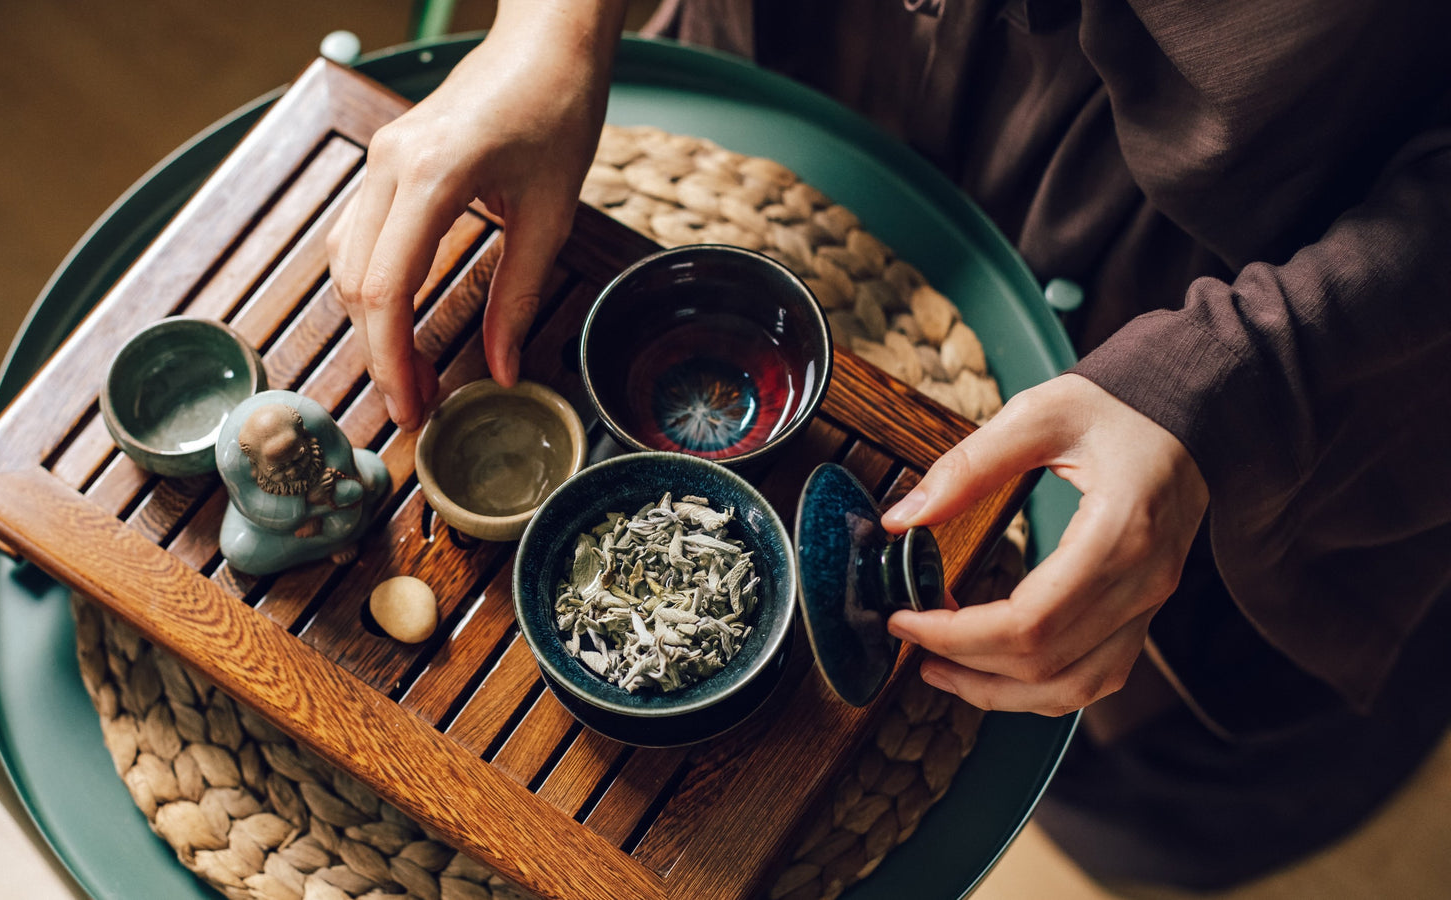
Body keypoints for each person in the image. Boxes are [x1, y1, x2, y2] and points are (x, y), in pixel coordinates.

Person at [325, 0, 1451, 888]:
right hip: (805, 67)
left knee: (1147, 782)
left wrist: (1237, 375)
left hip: (1283, 299)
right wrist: (552, 24)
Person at [216, 391, 389, 575]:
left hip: (331, 497)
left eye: (298, 458)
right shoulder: (232, 462)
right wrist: (309, 502)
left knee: (370, 480)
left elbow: (340, 455)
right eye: (279, 469)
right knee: (237, 552)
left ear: (305, 436)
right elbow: (256, 508)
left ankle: (337, 536)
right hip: (273, 530)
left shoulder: (315, 419)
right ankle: (325, 544)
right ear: (254, 465)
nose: (292, 471)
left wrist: (329, 487)